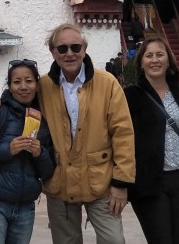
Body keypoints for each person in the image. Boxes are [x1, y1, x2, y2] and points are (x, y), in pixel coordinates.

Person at [39, 23, 135, 244]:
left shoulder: (107, 83)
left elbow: (123, 134)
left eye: (76, 47)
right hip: (60, 181)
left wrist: (121, 183)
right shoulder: (43, 86)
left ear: (84, 49)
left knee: (114, 240)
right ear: (52, 51)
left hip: (100, 181)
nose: (70, 53)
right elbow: (18, 101)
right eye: (62, 49)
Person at [0, 59, 55, 244]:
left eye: (29, 81)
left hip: (25, 208)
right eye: (17, 82)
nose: (23, 87)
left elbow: (48, 171)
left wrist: (40, 153)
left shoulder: (42, 121)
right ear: (10, 86)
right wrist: (8, 149)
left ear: (37, 85)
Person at [124, 38, 179, 244]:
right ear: (141, 63)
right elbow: (121, 138)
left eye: (160, 54)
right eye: (149, 55)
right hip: (150, 181)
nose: (155, 60)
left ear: (169, 60)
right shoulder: (130, 96)